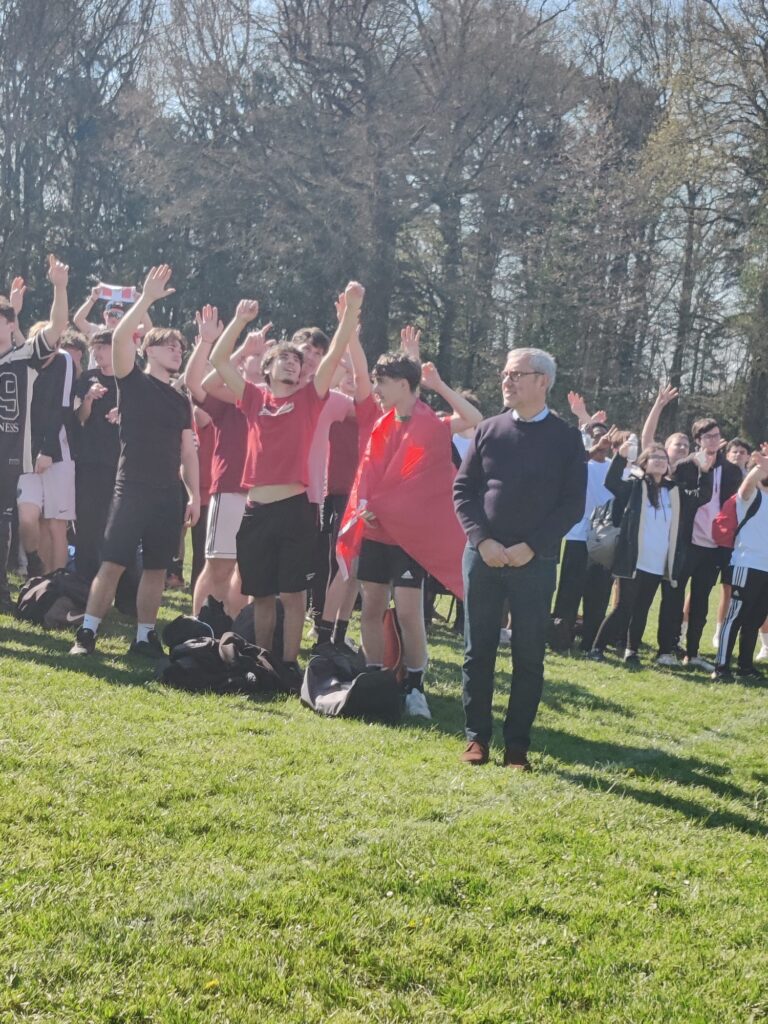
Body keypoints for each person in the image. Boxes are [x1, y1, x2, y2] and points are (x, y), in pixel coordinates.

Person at [208, 284, 364, 682]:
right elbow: (218, 360)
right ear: (268, 369)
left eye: (297, 360)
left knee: (293, 595)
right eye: (284, 359)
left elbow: (333, 355)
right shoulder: (253, 398)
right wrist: (240, 322)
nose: (293, 364)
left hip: (296, 510)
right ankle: (263, 663)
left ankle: (290, 665)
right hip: (256, 510)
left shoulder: (311, 398)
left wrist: (350, 313)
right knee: (261, 594)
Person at [454, 348, 586, 769]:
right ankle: (476, 738)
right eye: (505, 374)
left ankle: (517, 746)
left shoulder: (566, 439)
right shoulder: (488, 429)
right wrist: (482, 541)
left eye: (516, 374)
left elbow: (572, 505)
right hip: (483, 556)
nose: (506, 381)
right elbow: (463, 491)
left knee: (528, 656)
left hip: (536, 560)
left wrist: (532, 546)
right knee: (478, 651)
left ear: (543, 381)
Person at [337, 350, 481, 718]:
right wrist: (365, 506)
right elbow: (368, 473)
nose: (377, 390)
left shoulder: (431, 425)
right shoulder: (381, 423)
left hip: (409, 540)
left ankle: (415, 686)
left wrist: (439, 385)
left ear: (403, 385)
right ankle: (375, 678)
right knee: (371, 608)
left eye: (382, 383)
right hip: (376, 532)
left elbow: (475, 419)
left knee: (408, 612)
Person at [70, 264, 200, 657]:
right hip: (131, 488)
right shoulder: (133, 380)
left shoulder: (181, 399)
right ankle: (87, 634)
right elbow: (121, 336)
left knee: (156, 569)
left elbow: (188, 451)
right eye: (169, 345)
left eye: (180, 347)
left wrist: (194, 495)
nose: (177, 350)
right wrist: (146, 298)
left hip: (168, 493)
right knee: (113, 563)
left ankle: (144, 638)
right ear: (148, 351)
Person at [588, 443, 713, 667]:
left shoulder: (674, 491)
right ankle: (597, 648)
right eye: (654, 457)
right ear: (644, 463)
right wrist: (620, 457)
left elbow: (702, 496)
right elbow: (612, 483)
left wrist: (705, 472)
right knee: (623, 607)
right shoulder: (635, 486)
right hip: (633, 559)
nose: (660, 461)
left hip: (658, 561)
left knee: (642, 610)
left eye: (663, 458)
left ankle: (631, 651)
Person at [185, 306, 265, 616]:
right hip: (231, 488)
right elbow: (196, 383)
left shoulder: (276, 400)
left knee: (246, 571)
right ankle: (200, 626)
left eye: (264, 355)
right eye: (254, 357)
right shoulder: (230, 400)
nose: (259, 357)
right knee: (219, 566)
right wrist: (241, 349)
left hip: (265, 494)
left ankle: (231, 628)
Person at [0, 259, 68, 605]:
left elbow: (57, 327)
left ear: (11, 324)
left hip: (11, 454)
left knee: (4, 523)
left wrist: (59, 287)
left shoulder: (24, 355)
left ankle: (4, 588)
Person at [673, 418, 743, 669]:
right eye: (708, 436)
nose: (713, 440)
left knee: (701, 600)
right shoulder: (685, 466)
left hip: (714, 546)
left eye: (716, 435)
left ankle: (693, 653)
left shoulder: (732, 471)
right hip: (687, 542)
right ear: (698, 440)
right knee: (674, 597)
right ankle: (670, 647)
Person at [550, 421, 615, 652]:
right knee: (570, 590)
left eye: (604, 436)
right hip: (577, 535)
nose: (601, 441)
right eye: (595, 436)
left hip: (604, 538)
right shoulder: (581, 463)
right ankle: (560, 637)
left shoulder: (613, 467)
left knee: (598, 593)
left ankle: (591, 641)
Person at [712, 448, 768, 681]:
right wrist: (759, 468)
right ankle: (721, 666)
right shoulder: (753, 496)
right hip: (747, 564)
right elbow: (745, 489)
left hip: (766, 569)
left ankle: (745, 667)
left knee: (755, 620)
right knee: (734, 617)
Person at [73, 329, 119, 583]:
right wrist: (89, 398)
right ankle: (83, 579)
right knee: (87, 521)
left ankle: (111, 581)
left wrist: (123, 413)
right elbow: (81, 418)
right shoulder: (87, 378)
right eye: (95, 348)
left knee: (113, 524)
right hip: (89, 460)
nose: (97, 352)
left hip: (119, 462)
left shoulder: (128, 379)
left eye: (102, 347)